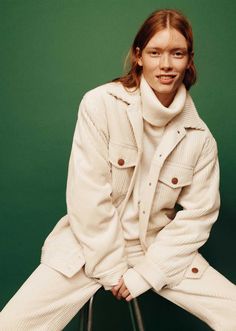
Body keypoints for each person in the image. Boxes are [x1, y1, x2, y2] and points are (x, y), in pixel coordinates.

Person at [0, 8, 236, 331]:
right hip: (88, 248)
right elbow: (87, 197)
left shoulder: (200, 139)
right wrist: (112, 269)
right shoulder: (100, 105)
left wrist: (146, 273)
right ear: (139, 56)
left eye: (177, 53)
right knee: (11, 324)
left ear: (188, 60)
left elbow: (198, 217)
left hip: (158, 253)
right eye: (155, 53)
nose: (166, 65)